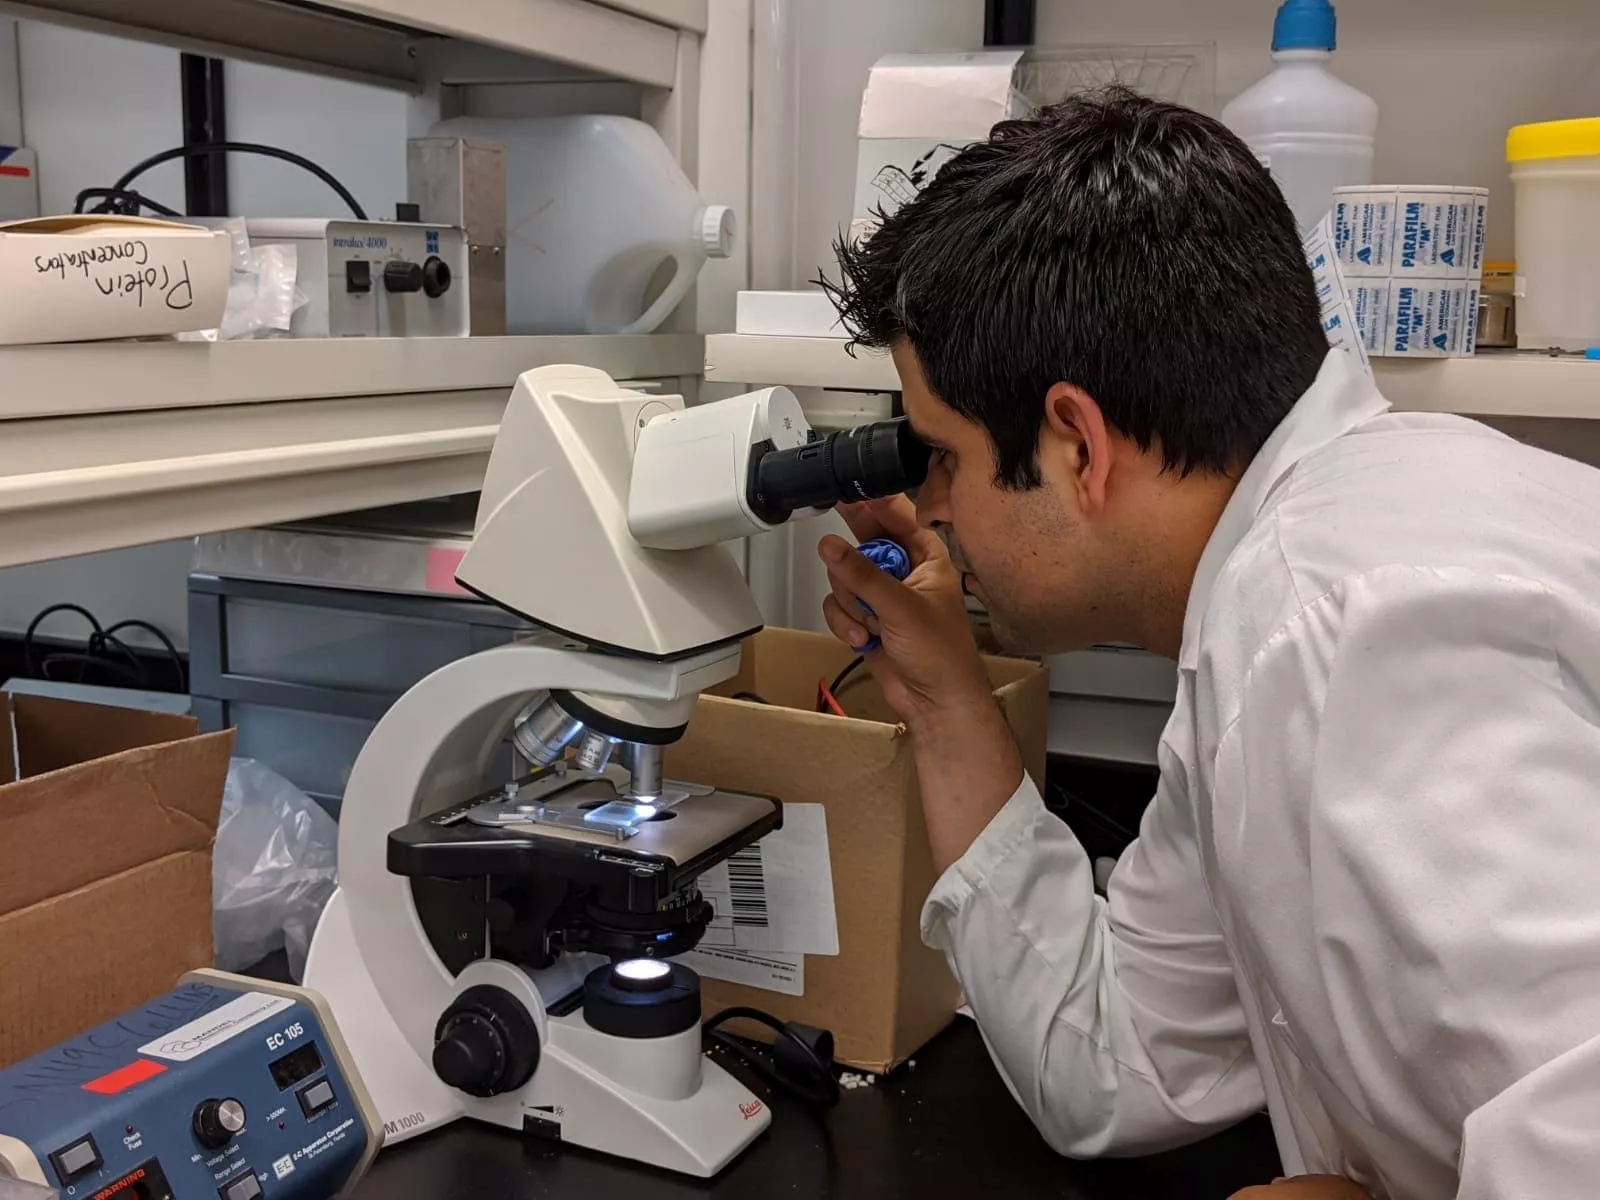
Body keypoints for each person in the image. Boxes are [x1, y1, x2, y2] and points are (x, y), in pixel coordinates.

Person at [815, 88, 1600, 1200]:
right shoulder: (1280, 599)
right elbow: (1120, 1064)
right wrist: (944, 702)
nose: (933, 507)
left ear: (1077, 443)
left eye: (943, 455)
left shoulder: (1343, 631)